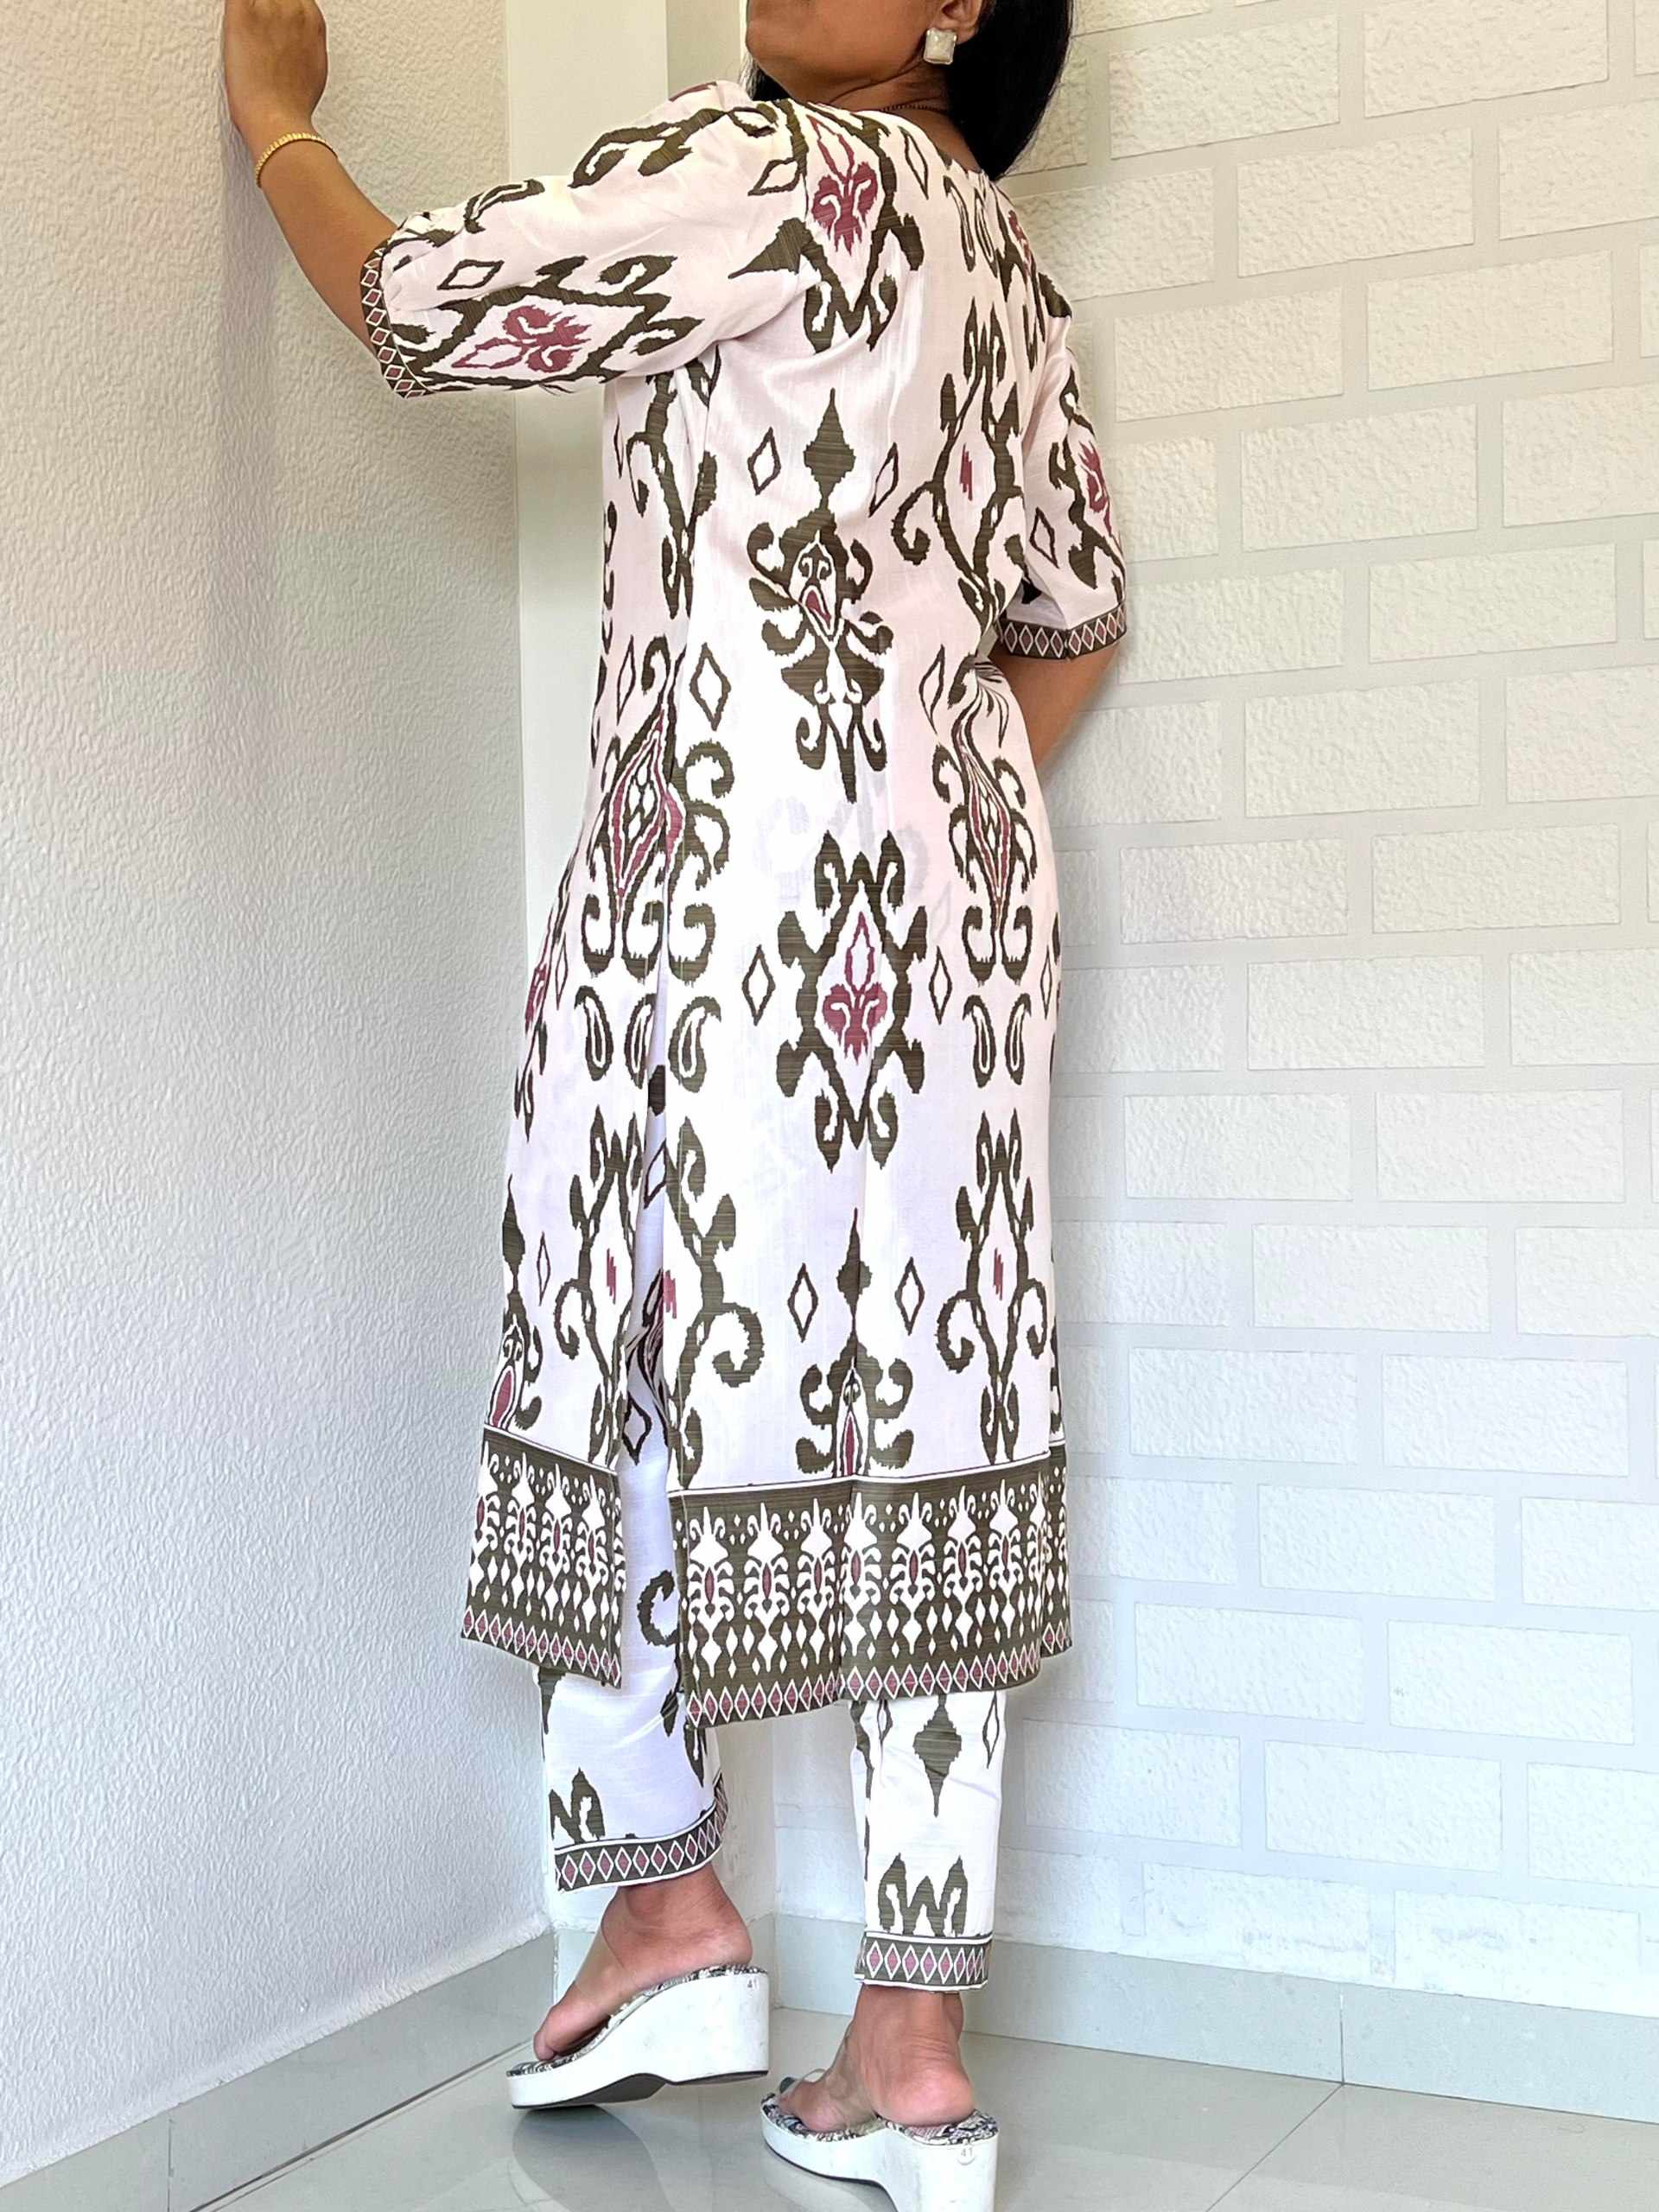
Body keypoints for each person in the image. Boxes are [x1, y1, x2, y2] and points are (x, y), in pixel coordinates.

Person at [221, 1, 1127, 2204]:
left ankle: (661, 1899)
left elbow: (422, 303)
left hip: (712, 885)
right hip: (953, 906)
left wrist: (275, 123)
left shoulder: (773, 166)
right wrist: (903, 802)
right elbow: (1074, 619)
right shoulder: (1014, 275)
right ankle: (910, 2052)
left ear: (957, 8)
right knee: (937, 1383)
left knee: (616, 1313)